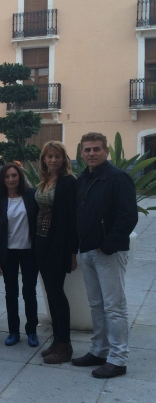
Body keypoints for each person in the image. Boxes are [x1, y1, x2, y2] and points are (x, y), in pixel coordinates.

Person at [72, 132, 138, 379]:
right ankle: (99, 350)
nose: (91, 153)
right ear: (81, 153)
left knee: (115, 307)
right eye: (87, 149)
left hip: (107, 253)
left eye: (96, 149)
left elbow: (128, 216)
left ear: (106, 151)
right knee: (96, 305)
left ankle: (118, 359)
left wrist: (107, 245)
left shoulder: (118, 178)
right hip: (87, 251)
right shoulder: (83, 180)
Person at [34, 141, 78, 364]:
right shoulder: (44, 182)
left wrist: (72, 252)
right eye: (49, 156)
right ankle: (57, 340)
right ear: (44, 159)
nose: (52, 160)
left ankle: (65, 345)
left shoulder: (68, 183)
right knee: (51, 293)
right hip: (41, 243)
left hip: (58, 245)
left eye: (57, 156)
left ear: (64, 159)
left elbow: (71, 219)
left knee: (57, 293)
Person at [0, 163, 39, 347]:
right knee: (11, 293)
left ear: (20, 177)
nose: (11, 179)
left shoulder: (31, 196)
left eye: (14, 175)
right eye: (7, 176)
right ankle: (13, 331)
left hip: (29, 252)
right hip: (8, 253)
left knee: (29, 292)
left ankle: (32, 331)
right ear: (3, 179)